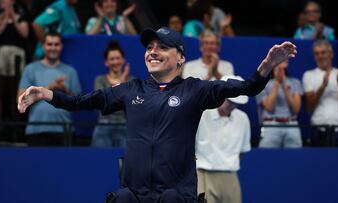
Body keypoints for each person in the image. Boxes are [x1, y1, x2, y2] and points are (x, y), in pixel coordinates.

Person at [18, 27, 297, 202]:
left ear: (180, 58)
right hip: (135, 196)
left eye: (162, 47)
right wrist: (46, 94)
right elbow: (81, 101)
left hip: (176, 196)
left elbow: (246, 87)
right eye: (150, 47)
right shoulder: (130, 89)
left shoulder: (195, 90)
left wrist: (266, 67)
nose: (153, 52)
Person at [17, 32, 81, 146]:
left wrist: (66, 91)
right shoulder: (30, 69)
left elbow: (79, 103)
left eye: (56, 44)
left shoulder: (70, 71)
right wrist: (50, 87)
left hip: (64, 129)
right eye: (49, 44)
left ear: (61, 46)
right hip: (36, 129)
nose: (53, 48)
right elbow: (20, 98)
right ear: (43, 46)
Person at [196, 75, 250, 203]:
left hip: (230, 175)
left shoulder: (243, 119)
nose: (232, 105)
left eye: (236, 103)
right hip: (202, 173)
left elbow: (242, 151)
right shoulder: (202, 114)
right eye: (229, 101)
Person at [0, 0, 29, 132]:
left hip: (16, 54)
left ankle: (15, 121)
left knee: (14, 90)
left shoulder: (21, 15)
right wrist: (4, 19)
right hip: (0, 54)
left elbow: (25, 34)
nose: (1, 2)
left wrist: (13, 18)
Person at [91, 40, 134, 147]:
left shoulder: (132, 81)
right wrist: (123, 81)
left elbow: (130, 105)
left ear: (123, 60)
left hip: (125, 125)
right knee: (100, 160)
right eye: (112, 59)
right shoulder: (99, 80)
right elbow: (103, 103)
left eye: (118, 58)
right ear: (106, 62)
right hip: (104, 125)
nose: (115, 62)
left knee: (125, 161)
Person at [302, 39, 338, 147]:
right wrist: (323, 86)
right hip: (319, 129)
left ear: (331, 54)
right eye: (317, 53)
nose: (320, 56)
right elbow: (309, 108)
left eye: (323, 52)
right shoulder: (309, 75)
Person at [256, 60, 303, 148]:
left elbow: (296, 109)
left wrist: (284, 84)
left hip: (291, 124)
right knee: (267, 157)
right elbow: (269, 107)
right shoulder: (263, 84)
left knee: (295, 158)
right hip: (271, 125)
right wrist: (277, 82)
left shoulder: (295, 82)